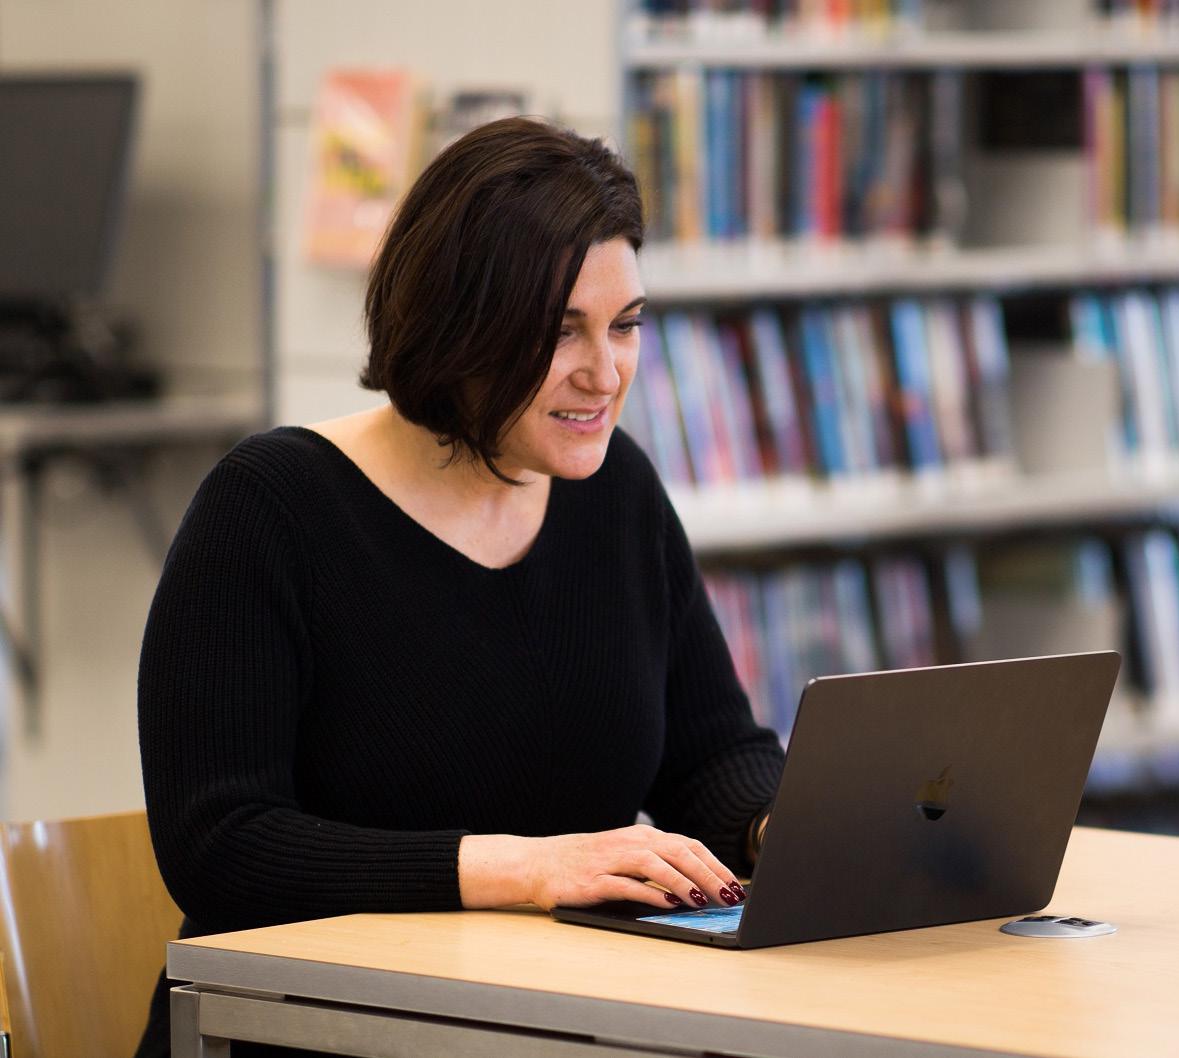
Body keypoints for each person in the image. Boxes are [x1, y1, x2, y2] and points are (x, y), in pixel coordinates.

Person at [133, 116, 783, 1058]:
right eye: (560, 333)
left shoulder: (617, 494)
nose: (605, 374)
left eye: (625, 326)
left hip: (547, 1023)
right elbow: (221, 845)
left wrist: (784, 827)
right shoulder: (269, 508)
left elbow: (707, 756)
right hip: (305, 1033)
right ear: (457, 329)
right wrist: (525, 869)